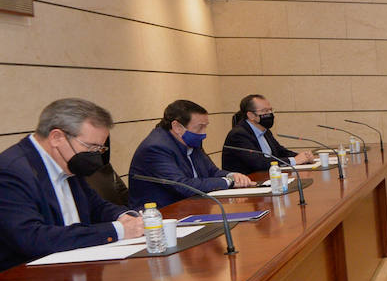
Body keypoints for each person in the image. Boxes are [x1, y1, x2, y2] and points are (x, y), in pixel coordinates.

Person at [0, 98, 142, 272]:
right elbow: (32, 239)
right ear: (57, 137)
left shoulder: (67, 163)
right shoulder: (10, 172)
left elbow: (96, 207)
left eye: (99, 150)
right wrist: (117, 230)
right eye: (91, 147)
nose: (94, 156)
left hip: (78, 273)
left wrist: (127, 217)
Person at [127, 100, 254, 208]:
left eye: (205, 127)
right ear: (177, 127)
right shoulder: (156, 148)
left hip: (192, 207)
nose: (204, 133)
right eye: (199, 127)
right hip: (162, 216)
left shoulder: (189, 141)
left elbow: (212, 172)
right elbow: (183, 185)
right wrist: (228, 182)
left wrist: (232, 175)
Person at [221, 94, 307, 174]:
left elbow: (280, 151)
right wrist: (294, 160)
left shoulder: (264, 130)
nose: (270, 114)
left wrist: (303, 157)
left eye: (270, 110)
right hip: (248, 183)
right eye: (265, 111)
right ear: (251, 115)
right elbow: (258, 163)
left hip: (266, 177)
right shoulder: (238, 135)